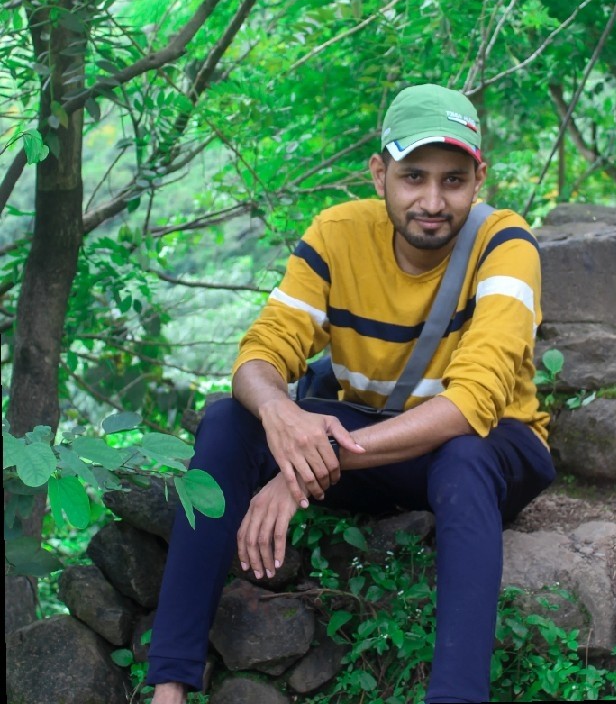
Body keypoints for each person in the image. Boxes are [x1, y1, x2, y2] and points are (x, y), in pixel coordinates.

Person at [147, 83, 556, 704]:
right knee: (231, 421)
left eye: (452, 180)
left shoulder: (505, 244)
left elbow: (472, 404)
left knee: (465, 456)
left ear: (478, 180)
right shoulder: (337, 234)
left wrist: (307, 467)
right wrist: (280, 414)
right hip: (375, 437)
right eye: (413, 176)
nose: (432, 201)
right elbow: (262, 351)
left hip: (487, 448)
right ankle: (170, 685)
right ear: (379, 173)